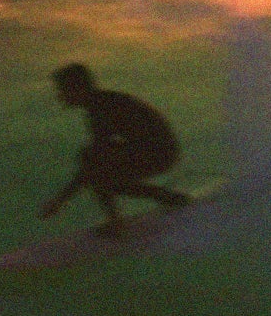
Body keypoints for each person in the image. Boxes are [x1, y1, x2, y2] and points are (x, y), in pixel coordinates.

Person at [41, 62, 191, 234]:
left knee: (92, 163)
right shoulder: (103, 102)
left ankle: (116, 223)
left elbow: (94, 162)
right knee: (100, 169)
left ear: (77, 89)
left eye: (63, 91)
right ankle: (166, 197)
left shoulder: (101, 110)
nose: (60, 97)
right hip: (163, 150)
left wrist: (60, 200)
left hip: (160, 153)